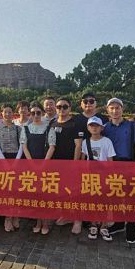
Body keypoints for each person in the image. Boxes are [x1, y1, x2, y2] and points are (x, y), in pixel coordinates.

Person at [103, 98, 135, 243]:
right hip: (112, 165)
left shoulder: (131, 126)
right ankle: (119, 223)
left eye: (117, 108)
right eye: (111, 108)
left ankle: (131, 227)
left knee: (131, 198)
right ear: (107, 110)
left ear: (122, 109)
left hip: (128, 164)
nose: (115, 111)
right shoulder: (105, 127)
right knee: (116, 196)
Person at [21, 102, 56, 234]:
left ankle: (45, 223)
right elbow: (24, 147)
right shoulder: (26, 129)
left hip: (46, 166)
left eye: (38, 113)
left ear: (42, 114)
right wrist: (31, 164)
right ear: (30, 114)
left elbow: (52, 146)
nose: (36, 115)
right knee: (35, 196)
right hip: (31, 167)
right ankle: (37, 221)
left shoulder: (49, 128)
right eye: (33, 113)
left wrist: (43, 164)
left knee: (45, 195)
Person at [50, 97, 85, 234]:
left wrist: (75, 164)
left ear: (70, 108)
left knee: (75, 193)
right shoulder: (52, 123)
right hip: (56, 165)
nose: (62, 109)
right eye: (59, 107)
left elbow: (78, 145)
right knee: (62, 193)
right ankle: (66, 215)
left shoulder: (75, 124)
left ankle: (77, 220)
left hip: (71, 164)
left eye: (65, 106)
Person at [81, 116, 116, 241]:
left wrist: (110, 176)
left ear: (101, 127)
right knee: (92, 201)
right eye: (91, 125)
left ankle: (104, 225)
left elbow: (111, 160)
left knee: (105, 201)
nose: (94, 128)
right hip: (91, 176)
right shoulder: (85, 142)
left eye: (96, 125)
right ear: (88, 128)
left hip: (105, 175)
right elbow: (83, 160)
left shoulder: (107, 141)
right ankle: (93, 224)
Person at [0, 104, 23, 232]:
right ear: (1, 113)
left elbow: (22, 145)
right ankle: (7, 218)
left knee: (16, 190)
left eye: (10, 112)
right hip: (1, 159)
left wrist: (16, 161)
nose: (8, 114)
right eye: (6, 112)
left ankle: (15, 215)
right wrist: (3, 161)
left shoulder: (18, 128)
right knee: (4, 190)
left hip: (16, 158)